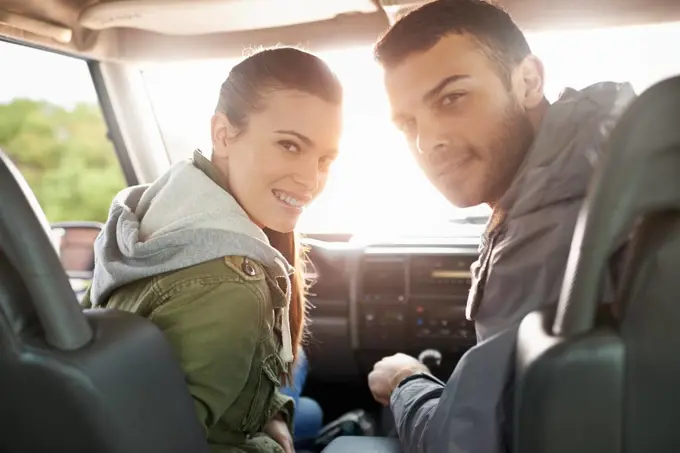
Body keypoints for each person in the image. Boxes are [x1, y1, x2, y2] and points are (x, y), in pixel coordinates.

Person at [366, 1, 636, 452]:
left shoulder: (555, 228)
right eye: (407, 123)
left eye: (452, 98)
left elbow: (465, 444)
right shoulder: (613, 169)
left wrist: (406, 381)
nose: (427, 141)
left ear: (528, 80)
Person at [80, 47, 343, 453]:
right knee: (308, 405)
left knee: (299, 389)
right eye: (289, 145)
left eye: (325, 158)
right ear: (223, 134)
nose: (310, 180)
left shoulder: (151, 211)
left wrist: (273, 412)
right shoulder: (232, 287)